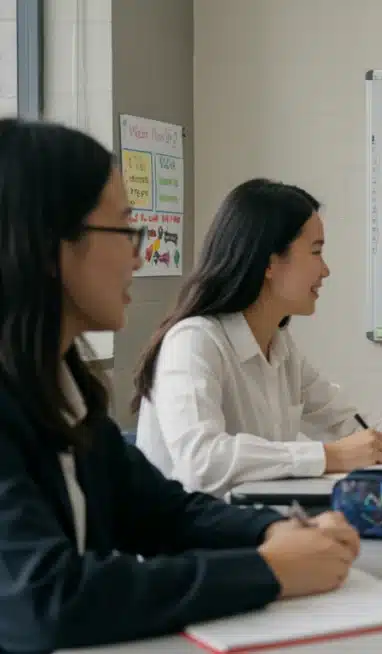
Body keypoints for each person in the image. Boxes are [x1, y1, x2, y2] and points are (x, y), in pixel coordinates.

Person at [0, 118, 363, 651]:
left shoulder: (62, 384)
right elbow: (45, 598)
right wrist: (267, 571)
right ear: (50, 245)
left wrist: (271, 533)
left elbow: (160, 511)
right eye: (125, 230)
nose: (140, 255)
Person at [133, 179, 382, 498]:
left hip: (254, 532)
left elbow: (349, 421)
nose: (326, 269)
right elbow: (202, 461)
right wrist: (326, 456)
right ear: (269, 263)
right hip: (192, 552)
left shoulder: (279, 346)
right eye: (316, 251)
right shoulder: (194, 342)